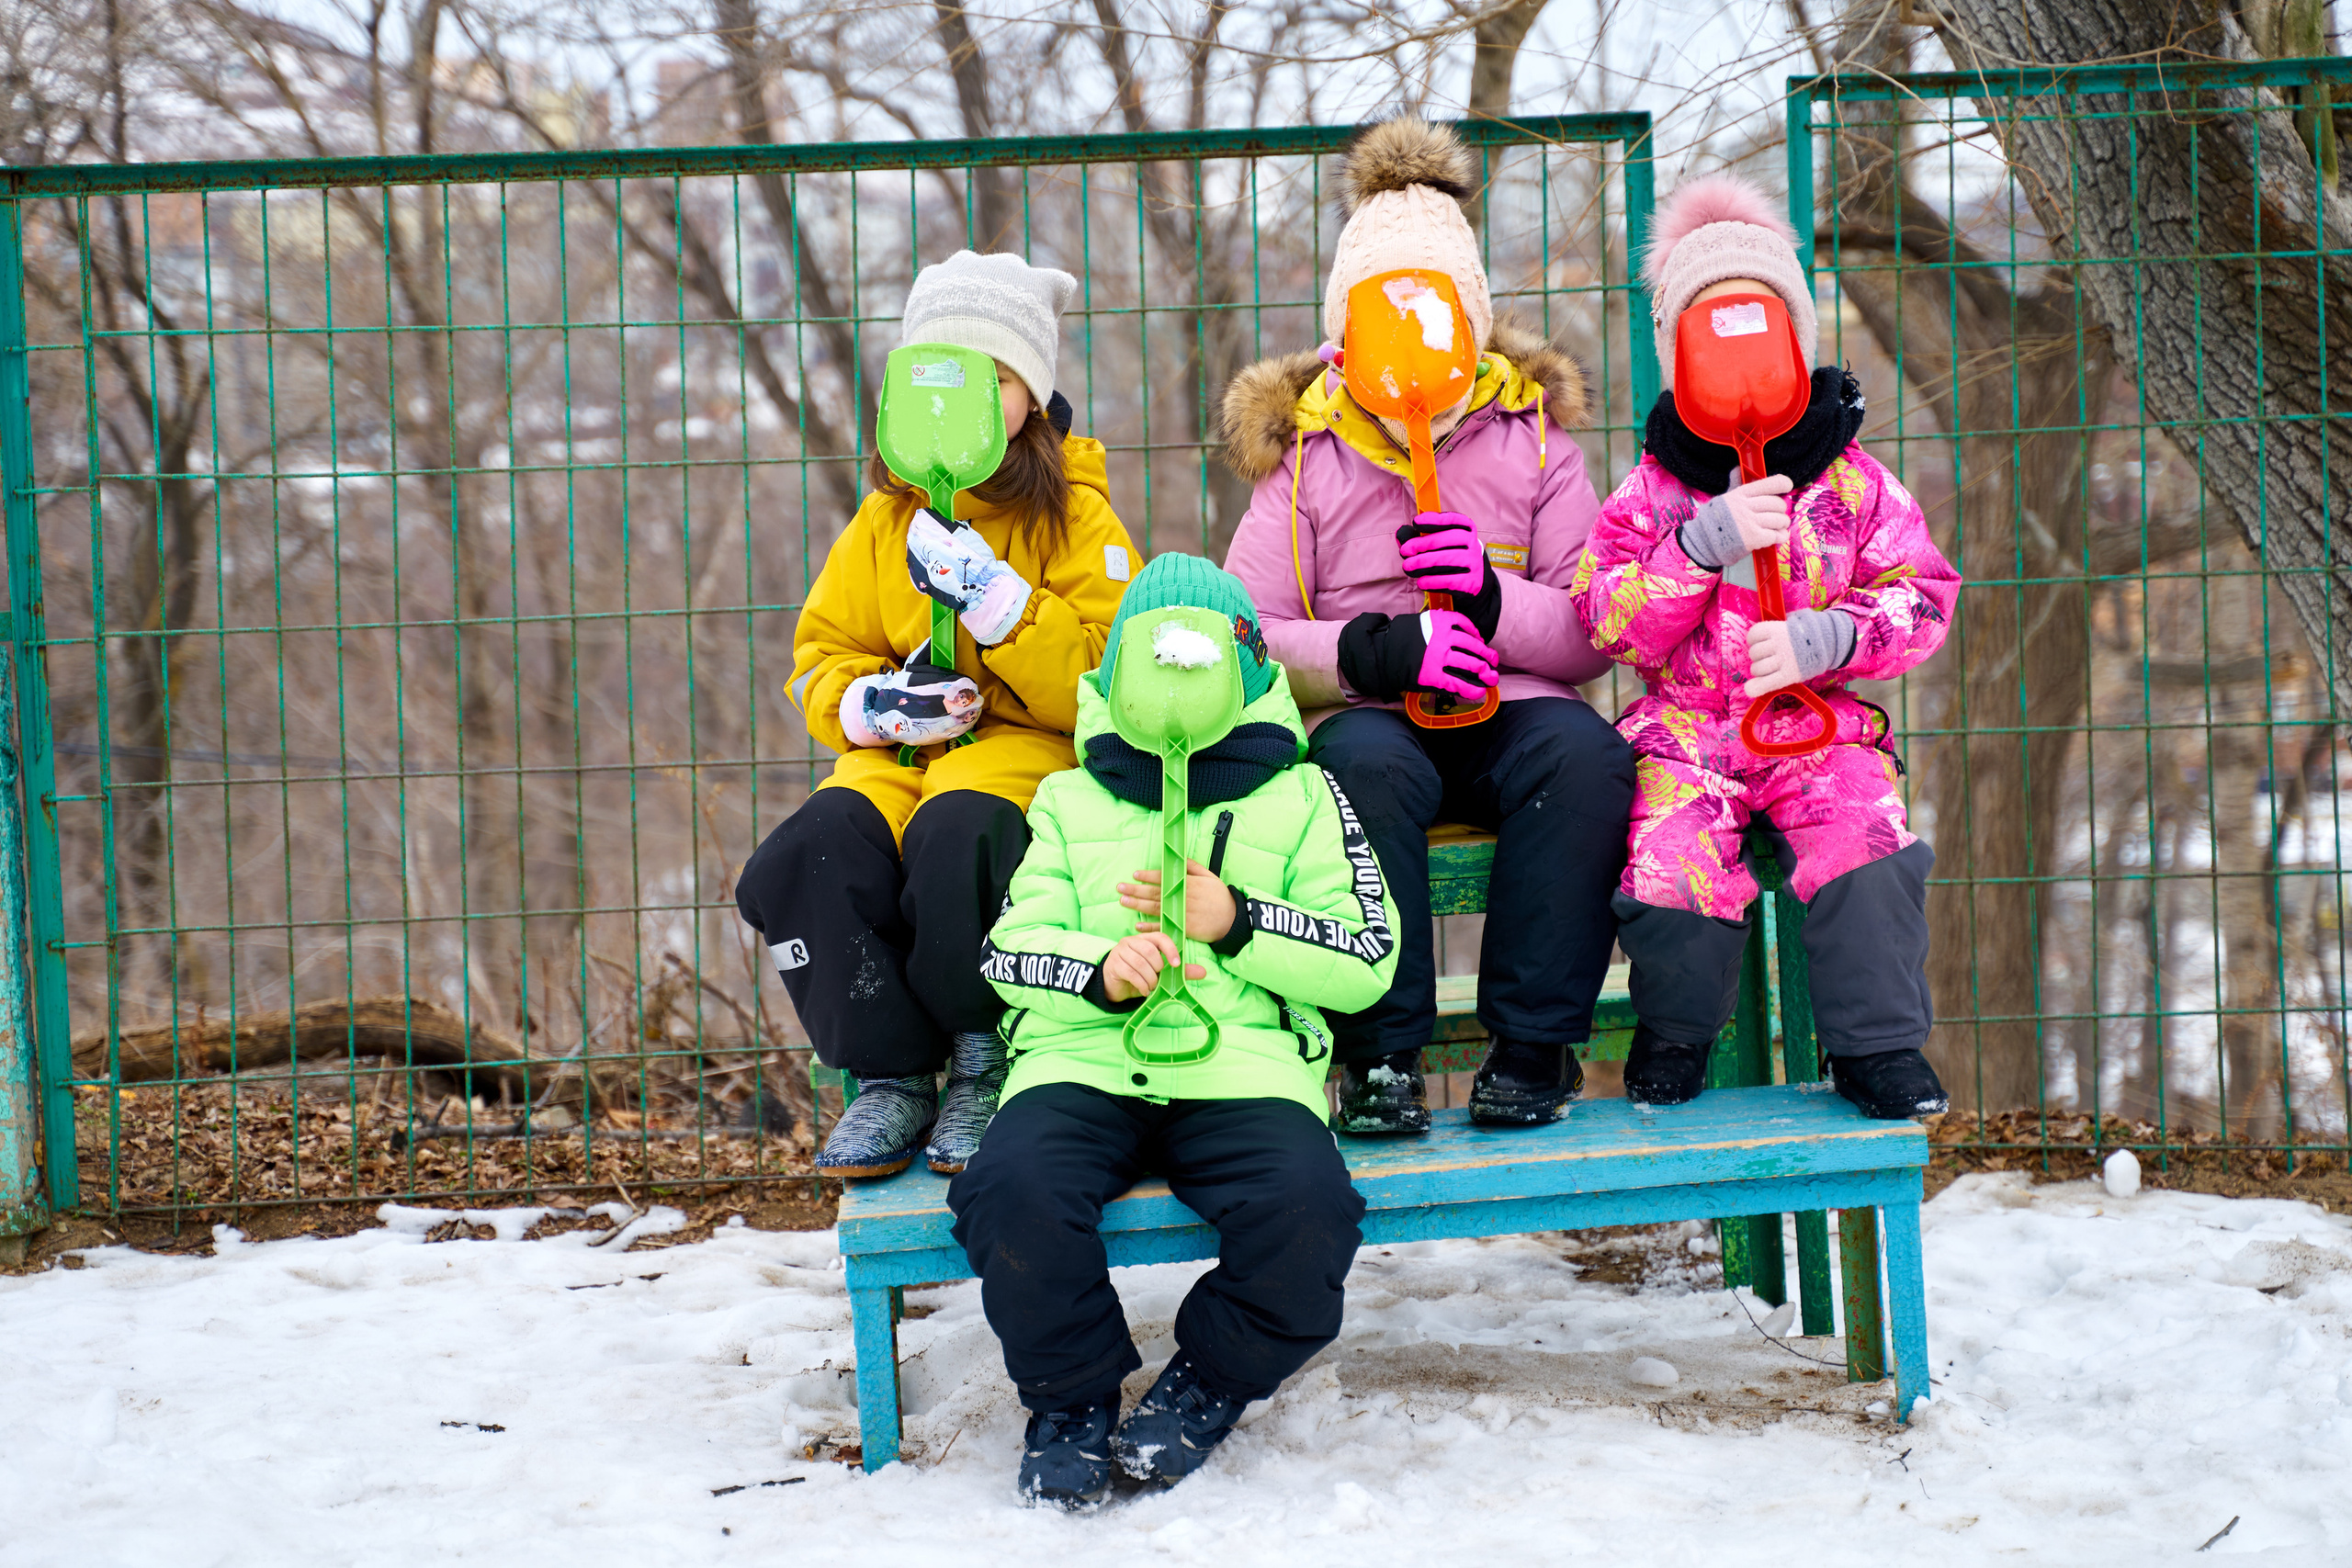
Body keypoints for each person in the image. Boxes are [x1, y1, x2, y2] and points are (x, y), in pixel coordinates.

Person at [947, 553, 1397, 1509]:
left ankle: (1213, 1378)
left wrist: (1238, 920)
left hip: (1244, 1067)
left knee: (1308, 1210)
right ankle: (1068, 1401)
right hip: (1081, 1060)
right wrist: (1096, 973)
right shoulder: (1070, 798)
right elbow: (1009, 948)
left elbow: (1367, 958)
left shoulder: (1308, 796)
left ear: (1247, 674)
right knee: (1011, 1192)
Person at [1220, 117, 1634, 1134]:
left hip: (1516, 703)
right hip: (1374, 712)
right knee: (1356, 775)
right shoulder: (1307, 455)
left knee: (1584, 761)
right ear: (1344, 328)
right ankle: (1380, 1056)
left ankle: (1534, 1047)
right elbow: (1243, 631)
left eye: (1433, 306)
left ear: (1472, 316)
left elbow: (1592, 629)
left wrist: (1491, 609)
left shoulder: (1537, 445)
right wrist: (1371, 647)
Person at [735, 251, 1138, 1179]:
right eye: (940, 371)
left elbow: (1105, 687)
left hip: (1020, 756)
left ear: (1032, 395)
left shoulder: (1076, 516)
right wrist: (874, 708)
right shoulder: (883, 521)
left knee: (961, 833)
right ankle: (890, 1071)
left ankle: (981, 1055)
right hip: (900, 761)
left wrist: (1003, 609)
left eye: (992, 375)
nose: (964, 396)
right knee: (812, 848)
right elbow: (819, 657)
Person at [1568, 173, 1961, 1119]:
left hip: (1816, 722)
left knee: (1868, 844)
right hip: (1689, 729)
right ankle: (1675, 1035)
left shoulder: (1855, 480)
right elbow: (1603, 618)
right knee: (1669, 867)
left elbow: (1925, 596)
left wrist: (1836, 637)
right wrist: (1695, 547)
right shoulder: (1655, 488)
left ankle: (1877, 1047)